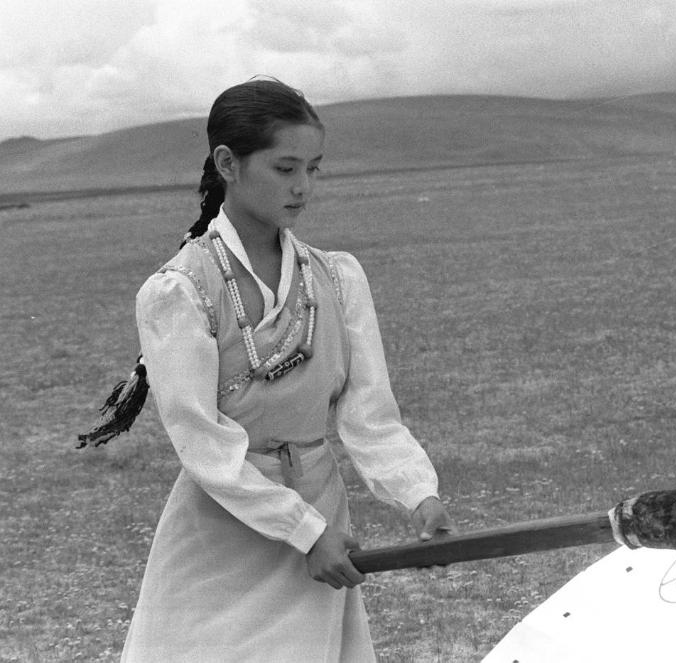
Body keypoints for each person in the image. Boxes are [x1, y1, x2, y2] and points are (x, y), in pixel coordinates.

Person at [84, 78, 454, 661]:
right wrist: (302, 530)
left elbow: (369, 415)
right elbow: (203, 443)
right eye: (285, 168)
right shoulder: (178, 291)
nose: (303, 186)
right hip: (223, 532)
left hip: (321, 515)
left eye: (314, 168)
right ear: (227, 163)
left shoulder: (337, 278)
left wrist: (419, 496)